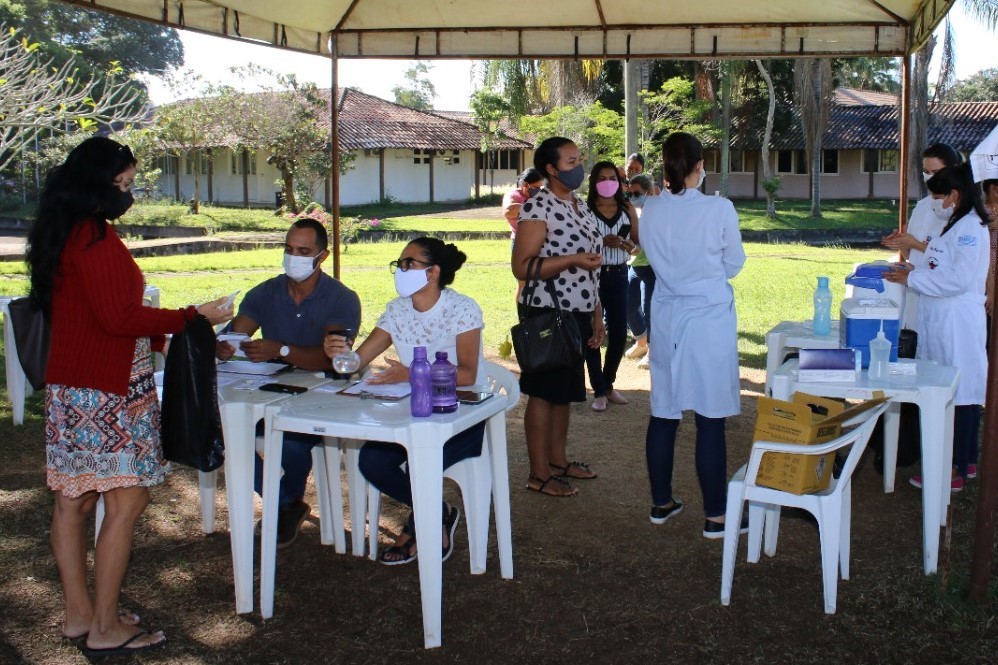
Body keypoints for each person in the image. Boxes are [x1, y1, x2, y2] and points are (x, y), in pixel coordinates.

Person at [25, 136, 233, 656]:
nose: (129, 191)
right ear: (96, 182)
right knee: (127, 498)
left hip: (75, 388)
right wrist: (191, 317)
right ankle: (103, 628)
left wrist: (161, 331)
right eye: (122, 183)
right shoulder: (92, 237)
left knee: (72, 500)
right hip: (107, 391)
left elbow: (94, 312)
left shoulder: (61, 231)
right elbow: (117, 317)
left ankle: (81, 615)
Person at [323, 238, 486, 564]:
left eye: (408, 263)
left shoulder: (462, 308)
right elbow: (358, 359)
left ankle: (419, 527)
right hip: (411, 413)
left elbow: (467, 376)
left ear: (432, 272)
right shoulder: (397, 310)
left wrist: (412, 373)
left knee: (418, 459)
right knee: (371, 461)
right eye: (399, 264)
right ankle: (437, 513)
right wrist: (341, 356)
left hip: (459, 414)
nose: (400, 270)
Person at [217, 218, 361, 547]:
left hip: (322, 392)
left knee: (294, 443)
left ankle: (284, 503)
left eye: (303, 251)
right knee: (225, 429)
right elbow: (237, 334)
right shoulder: (265, 292)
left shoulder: (341, 299)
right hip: (269, 388)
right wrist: (224, 345)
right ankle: (285, 502)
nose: (293, 256)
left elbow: (333, 359)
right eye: (288, 249)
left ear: (322, 256)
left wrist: (280, 350)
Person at [639, 132, 747, 538]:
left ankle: (661, 502)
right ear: (700, 166)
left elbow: (651, 255)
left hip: (667, 315)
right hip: (707, 318)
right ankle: (717, 516)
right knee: (709, 417)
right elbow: (733, 264)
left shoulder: (651, 208)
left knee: (664, 412)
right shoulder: (719, 209)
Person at [884, 164, 990, 492]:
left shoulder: (970, 227)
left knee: (958, 395)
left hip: (956, 321)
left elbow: (958, 278)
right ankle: (960, 462)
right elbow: (940, 260)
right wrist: (910, 265)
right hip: (942, 318)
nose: (935, 203)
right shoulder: (954, 225)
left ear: (955, 196)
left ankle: (955, 468)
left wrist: (912, 278)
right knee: (950, 390)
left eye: (938, 196)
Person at [513, 136, 604, 496]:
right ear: (551, 169)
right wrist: (571, 260)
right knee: (543, 393)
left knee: (565, 392)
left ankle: (558, 460)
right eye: (570, 161)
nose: (578, 166)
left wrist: (597, 314)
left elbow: (592, 268)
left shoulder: (579, 205)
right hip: (547, 312)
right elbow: (522, 267)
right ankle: (538, 474)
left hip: (578, 312)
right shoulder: (538, 207)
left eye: (579, 158)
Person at [882, 143, 964, 331]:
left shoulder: (963, 211)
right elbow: (914, 256)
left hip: (944, 297)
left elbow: (953, 258)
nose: (929, 177)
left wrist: (915, 243)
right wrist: (902, 243)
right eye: (926, 171)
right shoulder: (923, 206)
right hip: (917, 289)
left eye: (935, 172)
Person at [585, 160, 638, 411]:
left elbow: (638, 246)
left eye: (613, 178)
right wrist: (601, 243)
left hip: (619, 274)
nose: (608, 183)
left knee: (618, 334)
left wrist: (628, 246)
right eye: (602, 178)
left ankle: (608, 384)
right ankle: (598, 390)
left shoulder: (627, 209)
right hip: (591, 277)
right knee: (593, 334)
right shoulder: (584, 210)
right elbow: (577, 247)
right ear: (594, 182)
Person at [624, 173, 655, 368]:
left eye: (637, 193)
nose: (633, 197)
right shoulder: (631, 212)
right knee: (628, 306)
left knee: (648, 309)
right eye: (630, 193)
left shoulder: (656, 212)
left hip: (651, 268)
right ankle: (641, 342)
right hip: (634, 265)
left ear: (648, 192)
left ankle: (653, 350)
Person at [503, 168, 544, 302]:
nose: (539, 190)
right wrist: (531, 204)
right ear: (525, 185)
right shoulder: (513, 195)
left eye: (541, 187)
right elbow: (509, 211)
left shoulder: (542, 195)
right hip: (520, 244)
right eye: (536, 187)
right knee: (522, 283)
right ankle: (522, 318)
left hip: (541, 243)